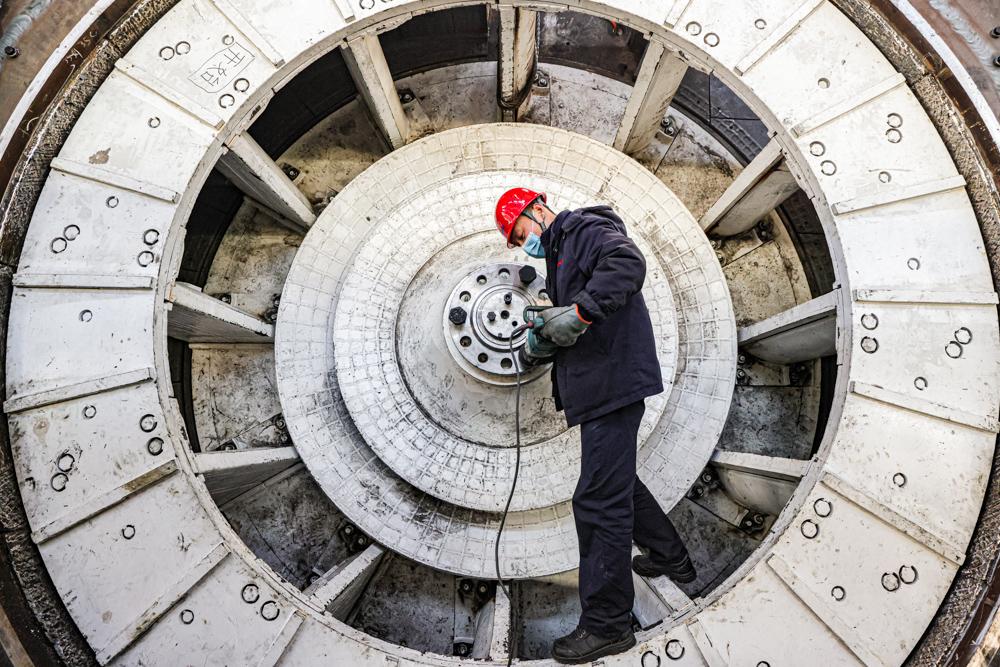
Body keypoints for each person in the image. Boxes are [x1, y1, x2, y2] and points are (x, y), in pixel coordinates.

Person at [495, 187, 697, 664]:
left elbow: (626, 264)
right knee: (618, 483)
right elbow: (579, 314)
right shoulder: (561, 253)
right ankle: (671, 558)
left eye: (521, 234)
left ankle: (607, 624)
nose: (525, 244)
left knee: (597, 499)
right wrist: (550, 327)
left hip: (613, 384)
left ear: (536, 211)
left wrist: (580, 312)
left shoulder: (583, 228)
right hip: (603, 387)